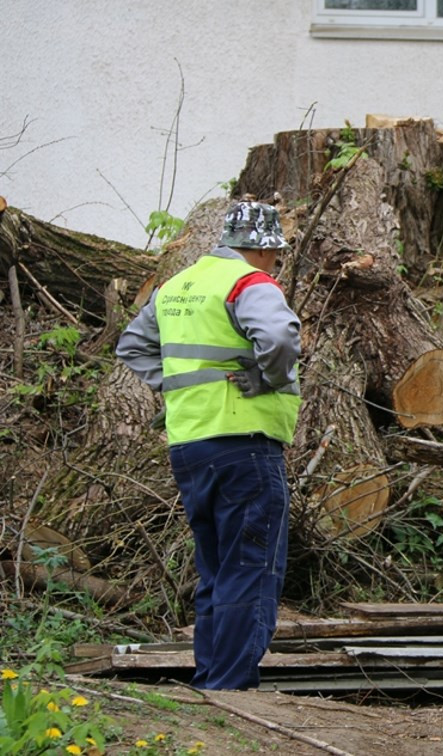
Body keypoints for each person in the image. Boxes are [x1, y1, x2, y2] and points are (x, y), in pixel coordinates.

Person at [117, 200, 302, 690]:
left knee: (216, 569)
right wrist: (266, 379)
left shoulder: (175, 286)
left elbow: (131, 346)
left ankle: (210, 677)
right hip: (246, 443)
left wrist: (182, 385)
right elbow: (280, 337)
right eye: (276, 255)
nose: (276, 263)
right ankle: (230, 685)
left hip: (190, 446)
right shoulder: (249, 283)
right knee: (251, 565)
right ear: (264, 250)